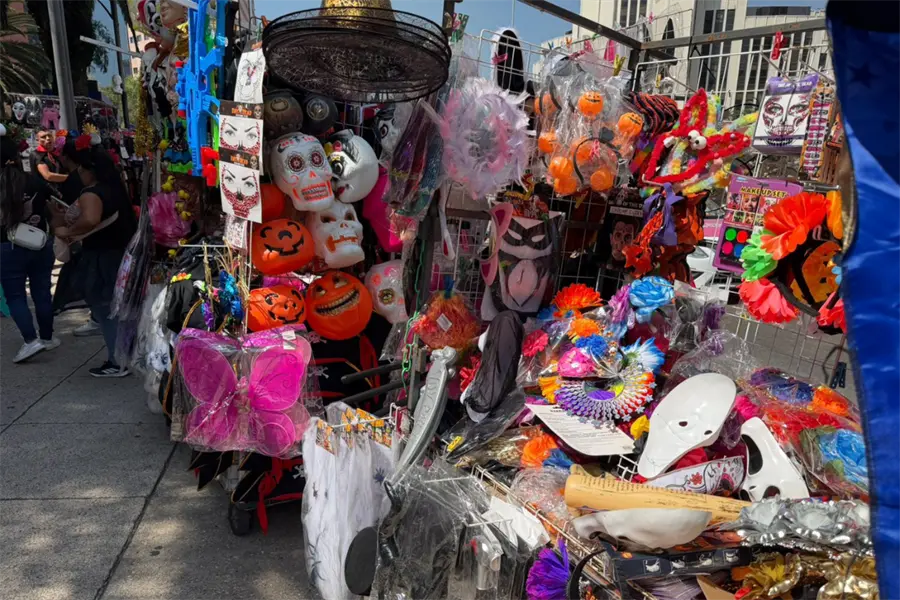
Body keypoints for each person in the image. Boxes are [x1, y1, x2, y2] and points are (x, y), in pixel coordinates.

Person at [55, 136, 137, 377]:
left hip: (101, 257)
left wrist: (67, 231)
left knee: (105, 310)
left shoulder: (92, 193)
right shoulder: (115, 187)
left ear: (89, 169)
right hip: (117, 253)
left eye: (81, 168)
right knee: (118, 309)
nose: (79, 173)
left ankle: (116, 360)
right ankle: (124, 354)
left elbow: (90, 220)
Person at [0, 134, 60, 362]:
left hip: (7, 247)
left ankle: (30, 340)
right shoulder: (33, 181)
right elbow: (53, 204)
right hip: (40, 242)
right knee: (42, 292)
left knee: (16, 296)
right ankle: (47, 337)